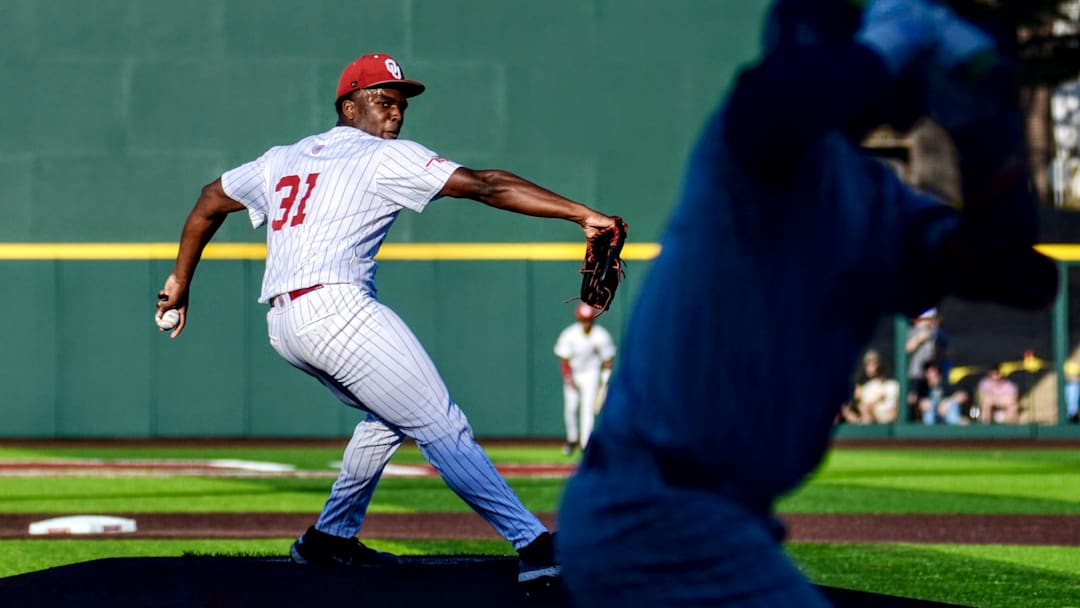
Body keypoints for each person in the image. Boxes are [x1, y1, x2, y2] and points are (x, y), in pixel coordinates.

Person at [556, 1, 1058, 605]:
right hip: (654, 510)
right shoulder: (747, 155)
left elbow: (1020, 277)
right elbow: (775, 104)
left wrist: (985, 134)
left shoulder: (876, 199)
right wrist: (902, 37)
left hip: (713, 517)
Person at [155, 52, 618, 587]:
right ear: (349, 107)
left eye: (400, 104)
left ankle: (328, 540)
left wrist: (180, 279)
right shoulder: (379, 158)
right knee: (442, 425)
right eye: (382, 101)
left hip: (285, 325)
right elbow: (487, 185)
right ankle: (538, 548)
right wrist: (582, 214)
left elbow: (210, 200)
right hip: (337, 309)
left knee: (390, 416)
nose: (395, 114)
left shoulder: (282, 157)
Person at [554, 302, 617, 455]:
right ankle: (572, 439)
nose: (587, 323)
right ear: (579, 319)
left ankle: (586, 443)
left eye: (589, 319)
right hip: (574, 372)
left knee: (588, 409)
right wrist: (569, 378)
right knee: (570, 408)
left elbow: (608, 359)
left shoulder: (601, 335)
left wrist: (604, 381)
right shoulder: (570, 334)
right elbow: (564, 358)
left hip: (591, 372)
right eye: (584, 319)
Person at [905, 307, 951, 414]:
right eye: (929, 319)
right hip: (916, 374)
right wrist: (920, 338)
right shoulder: (913, 331)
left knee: (931, 401)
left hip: (932, 375)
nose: (931, 322)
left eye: (933, 319)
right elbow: (907, 348)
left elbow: (948, 351)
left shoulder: (938, 333)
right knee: (914, 399)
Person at [848, 349, 900, 424]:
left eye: (873, 364)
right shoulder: (862, 381)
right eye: (868, 365)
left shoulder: (891, 384)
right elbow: (861, 403)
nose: (871, 368)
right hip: (869, 416)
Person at [916, 361, 969, 425]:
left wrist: (947, 402)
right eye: (928, 373)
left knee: (952, 407)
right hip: (933, 417)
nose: (930, 376)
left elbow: (963, 396)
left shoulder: (946, 383)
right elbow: (919, 402)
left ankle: (955, 429)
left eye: (933, 372)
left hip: (947, 414)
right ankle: (930, 433)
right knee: (928, 412)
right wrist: (922, 404)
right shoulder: (923, 387)